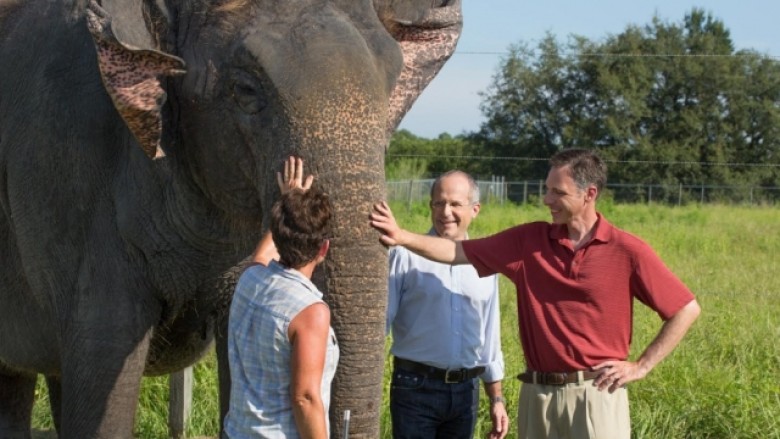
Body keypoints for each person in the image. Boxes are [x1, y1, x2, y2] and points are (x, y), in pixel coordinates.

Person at [370, 148, 701, 439]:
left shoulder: (627, 250)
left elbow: (685, 309)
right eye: (546, 190)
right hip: (537, 396)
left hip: (596, 394)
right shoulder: (527, 242)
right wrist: (401, 236)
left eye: (558, 192)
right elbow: (456, 252)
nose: (546, 200)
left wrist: (641, 366)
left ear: (589, 194)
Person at [386, 171, 509, 439]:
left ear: (475, 209)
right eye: (438, 203)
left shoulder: (486, 264)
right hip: (414, 388)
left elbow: (490, 339)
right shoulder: (405, 256)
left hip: (466, 392)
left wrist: (496, 399)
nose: (445, 212)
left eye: (455, 204)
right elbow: (380, 323)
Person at [225, 157, 338, 439]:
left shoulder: (250, 279)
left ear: (277, 234)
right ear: (323, 248)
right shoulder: (310, 310)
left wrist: (289, 203)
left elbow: (262, 256)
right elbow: (305, 397)